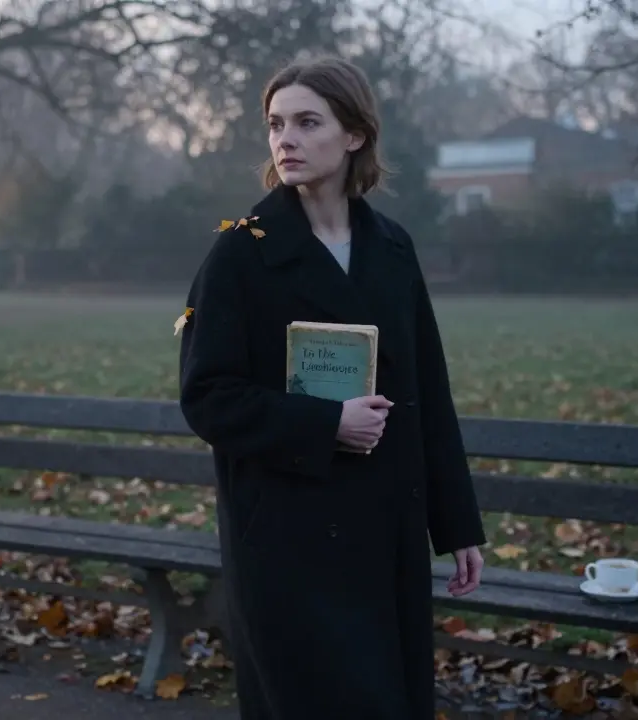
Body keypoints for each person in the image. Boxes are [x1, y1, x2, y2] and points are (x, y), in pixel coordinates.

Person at [176, 55, 487, 720]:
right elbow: (206, 396)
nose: (285, 139)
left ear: (354, 135)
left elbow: (428, 394)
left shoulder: (393, 248)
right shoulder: (239, 253)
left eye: (307, 122)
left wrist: (456, 523)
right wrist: (326, 425)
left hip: (386, 531)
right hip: (286, 535)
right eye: (276, 124)